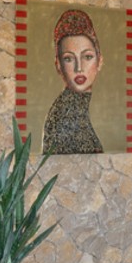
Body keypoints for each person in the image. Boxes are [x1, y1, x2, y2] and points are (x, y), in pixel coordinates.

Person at [43, 8, 104, 154]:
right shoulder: (63, 114)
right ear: (58, 65)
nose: (79, 68)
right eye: (69, 58)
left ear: (100, 61)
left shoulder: (87, 107)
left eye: (87, 57)